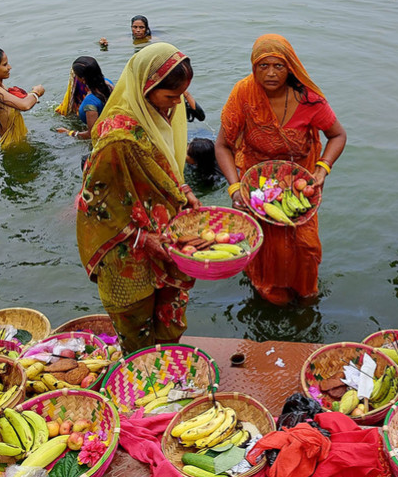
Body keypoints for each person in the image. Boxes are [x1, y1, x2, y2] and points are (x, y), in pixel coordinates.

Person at [76, 42, 201, 355]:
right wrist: (144, 239)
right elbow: (94, 202)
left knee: (170, 320)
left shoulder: (156, 117)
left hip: (163, 231)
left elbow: (164, 168)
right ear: (147, 87)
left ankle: (167, 368)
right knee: (137, 329)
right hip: (125, 248)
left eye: (179, 97)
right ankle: (142, 380)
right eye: (170, 96)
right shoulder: (116, 137)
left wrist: (184, 191)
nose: (175, 107)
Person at [215, 34, 347, 306]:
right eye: (263, 66)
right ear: (254, 68)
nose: (271, 73)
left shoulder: (309, 98)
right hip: (257, 182)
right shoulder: (243, 93)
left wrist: (322, 170)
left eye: (279, 66)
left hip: (299, 179)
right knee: (267, 244)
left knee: (306, 245)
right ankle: (269, 291)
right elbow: (223, 145)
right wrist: (234, 187)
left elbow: (338, 135)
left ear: (291, 67)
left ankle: (305, 291)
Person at [0, 46, 45, 148]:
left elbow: (17, 104)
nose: (9, 67)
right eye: (5, 65)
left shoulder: (0, 87)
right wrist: (36, 93)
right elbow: (25, 106)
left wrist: (31, 98)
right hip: (13, 146)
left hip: (18, 140)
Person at [55, 56, 113, 140]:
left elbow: (92, 134)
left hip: (102, 140)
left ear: (82, 79)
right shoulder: (108, 84)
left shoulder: (90, 102)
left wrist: (69, 132)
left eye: (76, 75)